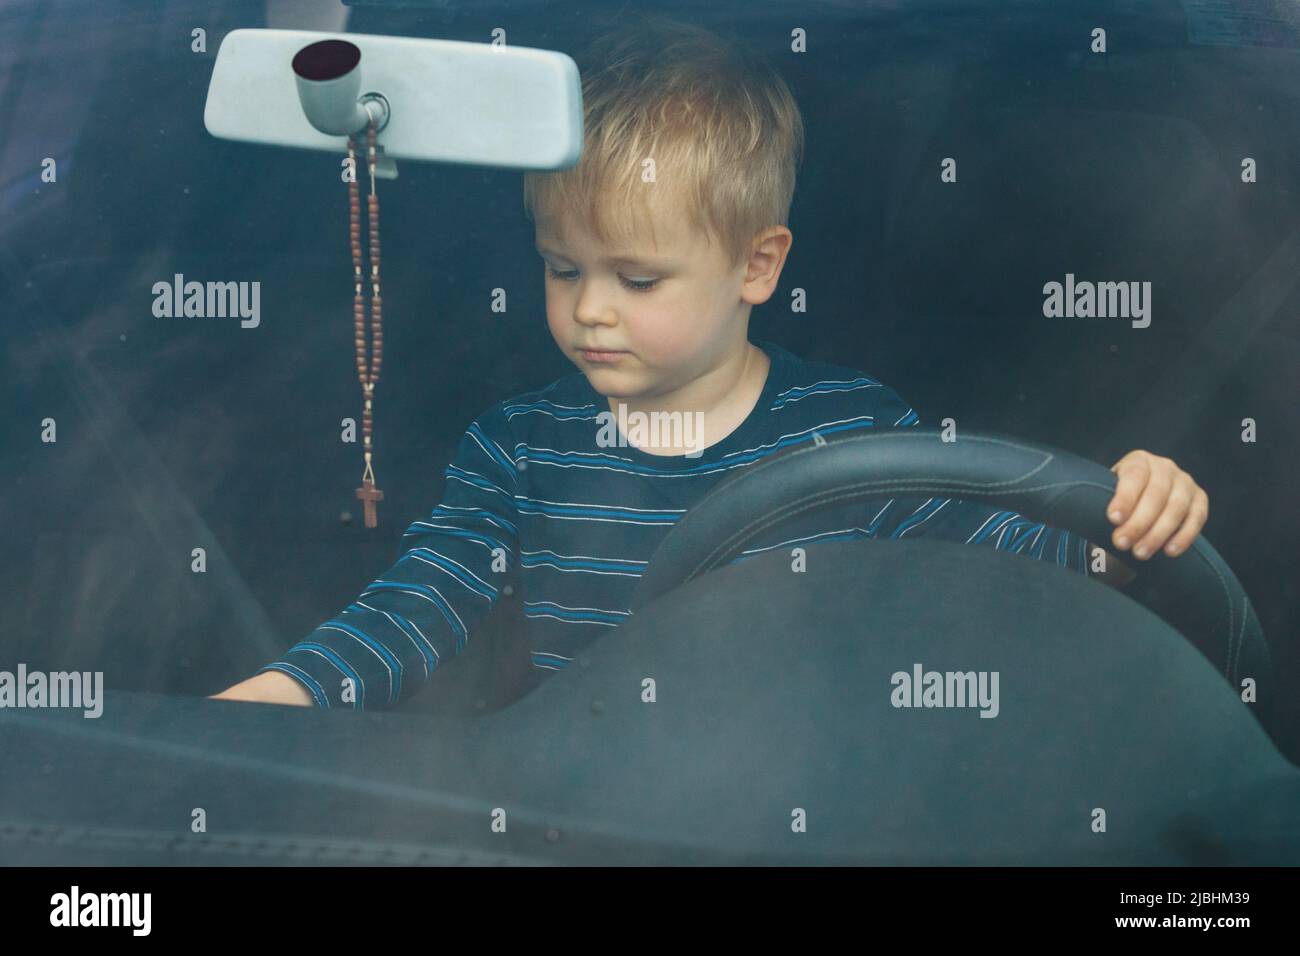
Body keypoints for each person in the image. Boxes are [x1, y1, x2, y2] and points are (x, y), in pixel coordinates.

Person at [213, 17, 1208, 709]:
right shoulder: (519, 447)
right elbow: (423, 597)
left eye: (638, 279)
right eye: (562, 267)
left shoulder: (852, 432)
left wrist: (1120, 521)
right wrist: (292, 687)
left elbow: (1014, 567)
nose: (589, 307)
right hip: (587, 814)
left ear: (755, 264)